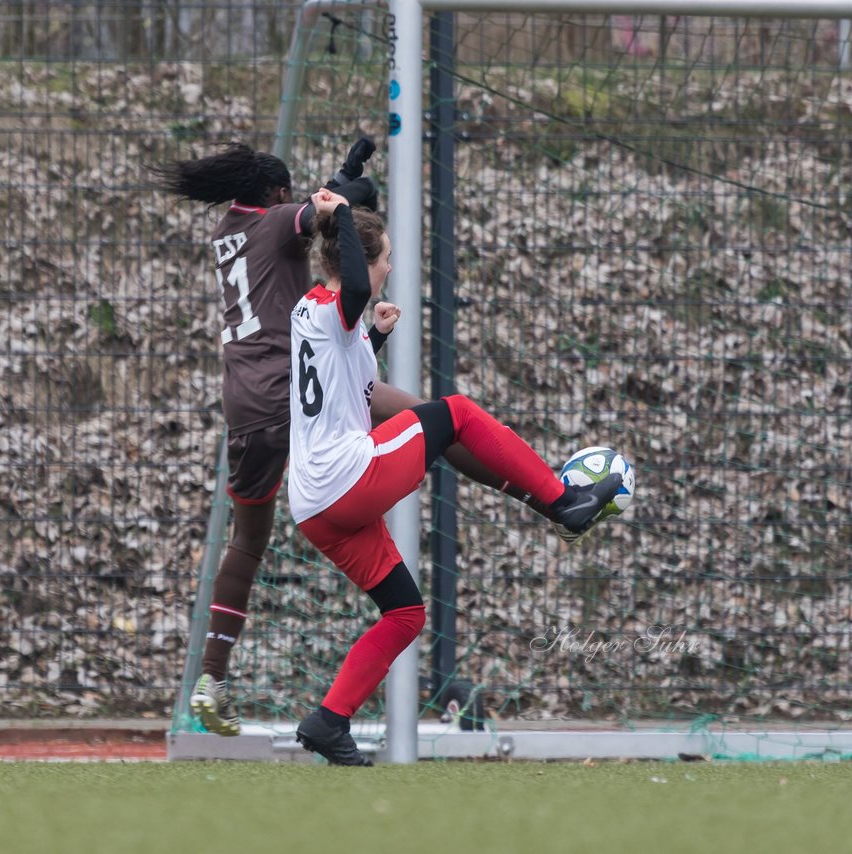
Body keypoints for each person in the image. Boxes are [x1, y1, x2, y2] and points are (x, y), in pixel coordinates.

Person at [158, 141, 559, 738]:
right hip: (294, 387)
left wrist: (345, 181)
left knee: (248, 540)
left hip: (242, 402)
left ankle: (212, 677)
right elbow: (324, 216)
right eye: (286, 195)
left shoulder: (229, 231)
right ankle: (549, 498)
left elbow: (325, 208)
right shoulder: (277, 221)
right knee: (438, 419)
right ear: (273, 196)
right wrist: (343, 192)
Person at [288, 189, 621, 765]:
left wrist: (378, 336)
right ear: (360, 263)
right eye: (385, 256)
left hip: (314, 504)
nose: (391, 265)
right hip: (346, 477)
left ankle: (328, 720)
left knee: (405, 613)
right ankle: (562, 501)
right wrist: (344, 212)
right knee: (459, 412)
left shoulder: (314, 310)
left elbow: (347, 382)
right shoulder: (337, 304)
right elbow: (357, 292)